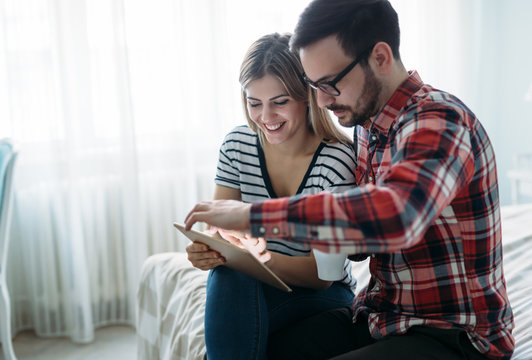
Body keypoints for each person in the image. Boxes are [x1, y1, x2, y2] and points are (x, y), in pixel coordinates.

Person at [184, 1, 515, 359]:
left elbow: (397, 217)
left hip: (452, 335)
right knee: (255, 349)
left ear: (381, 58)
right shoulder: (368, 129)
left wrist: (251, 217)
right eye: (314, 85)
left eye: (330, 83)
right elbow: (363, 244)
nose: (322, 100)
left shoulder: (439, 121)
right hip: (379, 317)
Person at [185, 33, 360, 360]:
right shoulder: (238, 145)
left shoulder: (335, 161)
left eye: (279, 102)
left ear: (306, 97)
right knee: (227, 277)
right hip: (256, 283)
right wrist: (208, 253)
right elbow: (222, 233)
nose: (265, 117)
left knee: (233, 279)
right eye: (254, 103)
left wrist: (247, 259)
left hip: (323, 292)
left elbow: (323, 276)